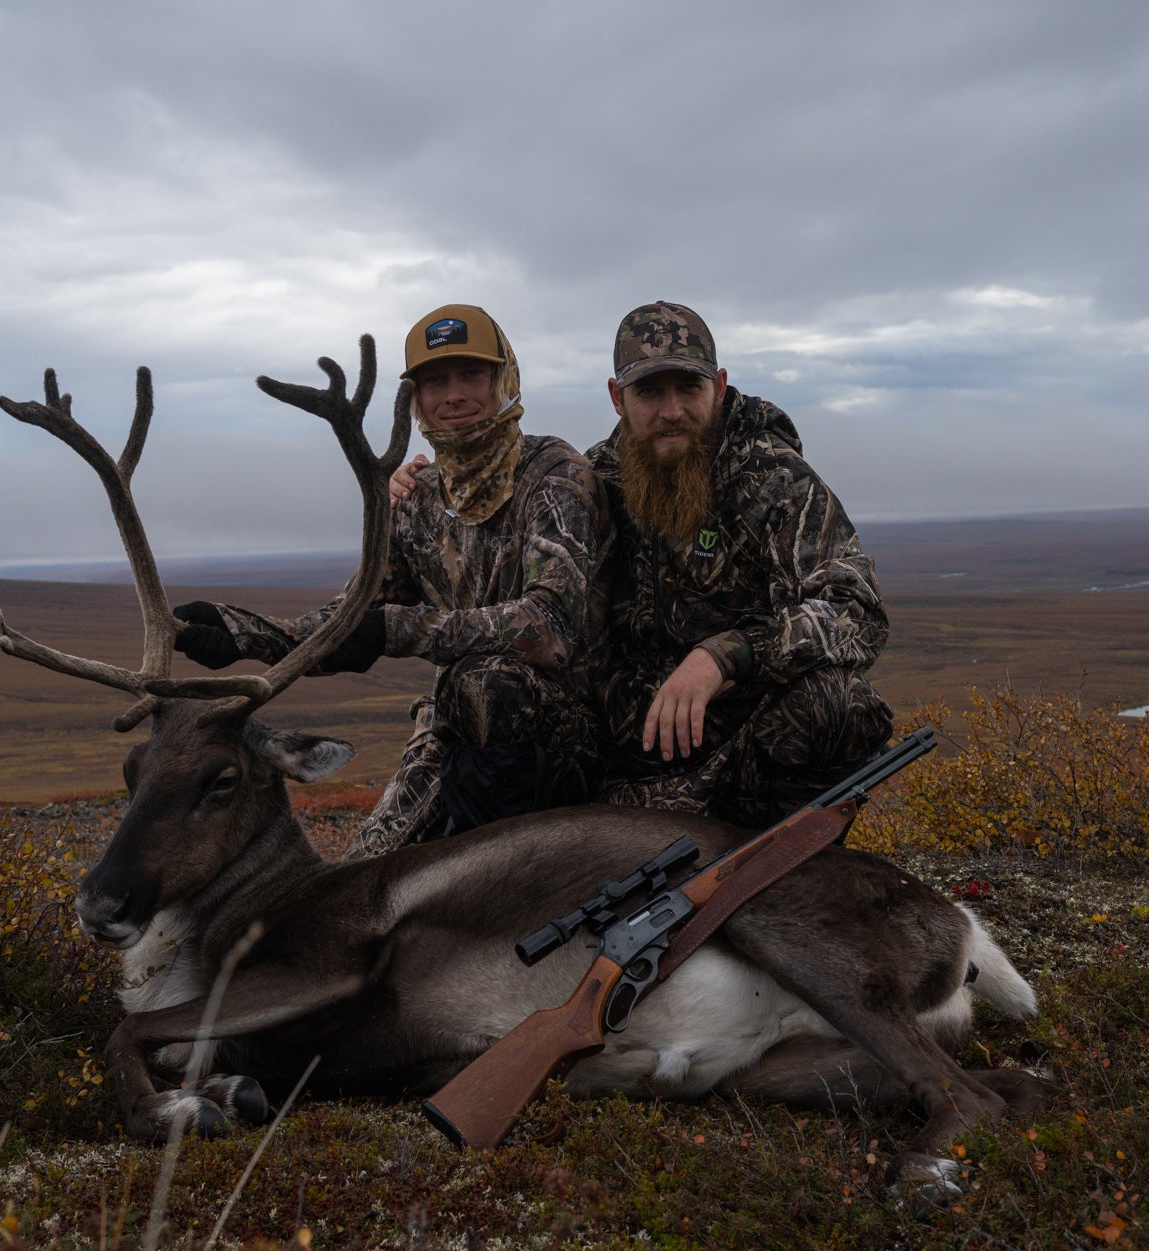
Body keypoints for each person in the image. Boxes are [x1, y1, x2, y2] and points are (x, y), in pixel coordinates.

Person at [173, 304, 602, 856]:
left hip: (565, 735)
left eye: (472, 375)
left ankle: (499, 875)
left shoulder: (556, 476)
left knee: (487, 681)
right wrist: (247, 634)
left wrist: (397, 629)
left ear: (504, 380)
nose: (454, 395)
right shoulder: (414, 497)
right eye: (435, 381)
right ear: (414, 399)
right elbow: (359, 615)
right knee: (360, 878)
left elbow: (548, 628)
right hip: (455, 725)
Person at [585, 301, 894, 827]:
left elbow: (855, 609)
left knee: (837, 703)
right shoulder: (593, 479)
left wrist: (727, 656)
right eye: (650, 391)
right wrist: (422, 491)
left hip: (740, 755)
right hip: (622, 750)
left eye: (689, 387)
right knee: (500, 691)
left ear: (720, 386)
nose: (672, 410)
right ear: (617, 397)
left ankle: (787, 873)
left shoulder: (773, 477)